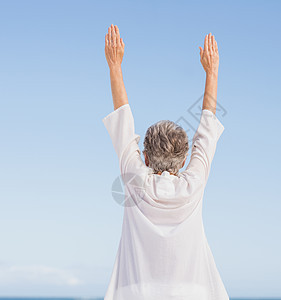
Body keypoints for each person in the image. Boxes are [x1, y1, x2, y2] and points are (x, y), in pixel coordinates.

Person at [102, 24, 228, 300]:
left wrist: (115, 65)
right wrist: (212, 71)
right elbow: (207, 129)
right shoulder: (193, 184)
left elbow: (123, 121)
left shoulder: (136, 180)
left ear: (145, 157)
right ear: (183, 161)